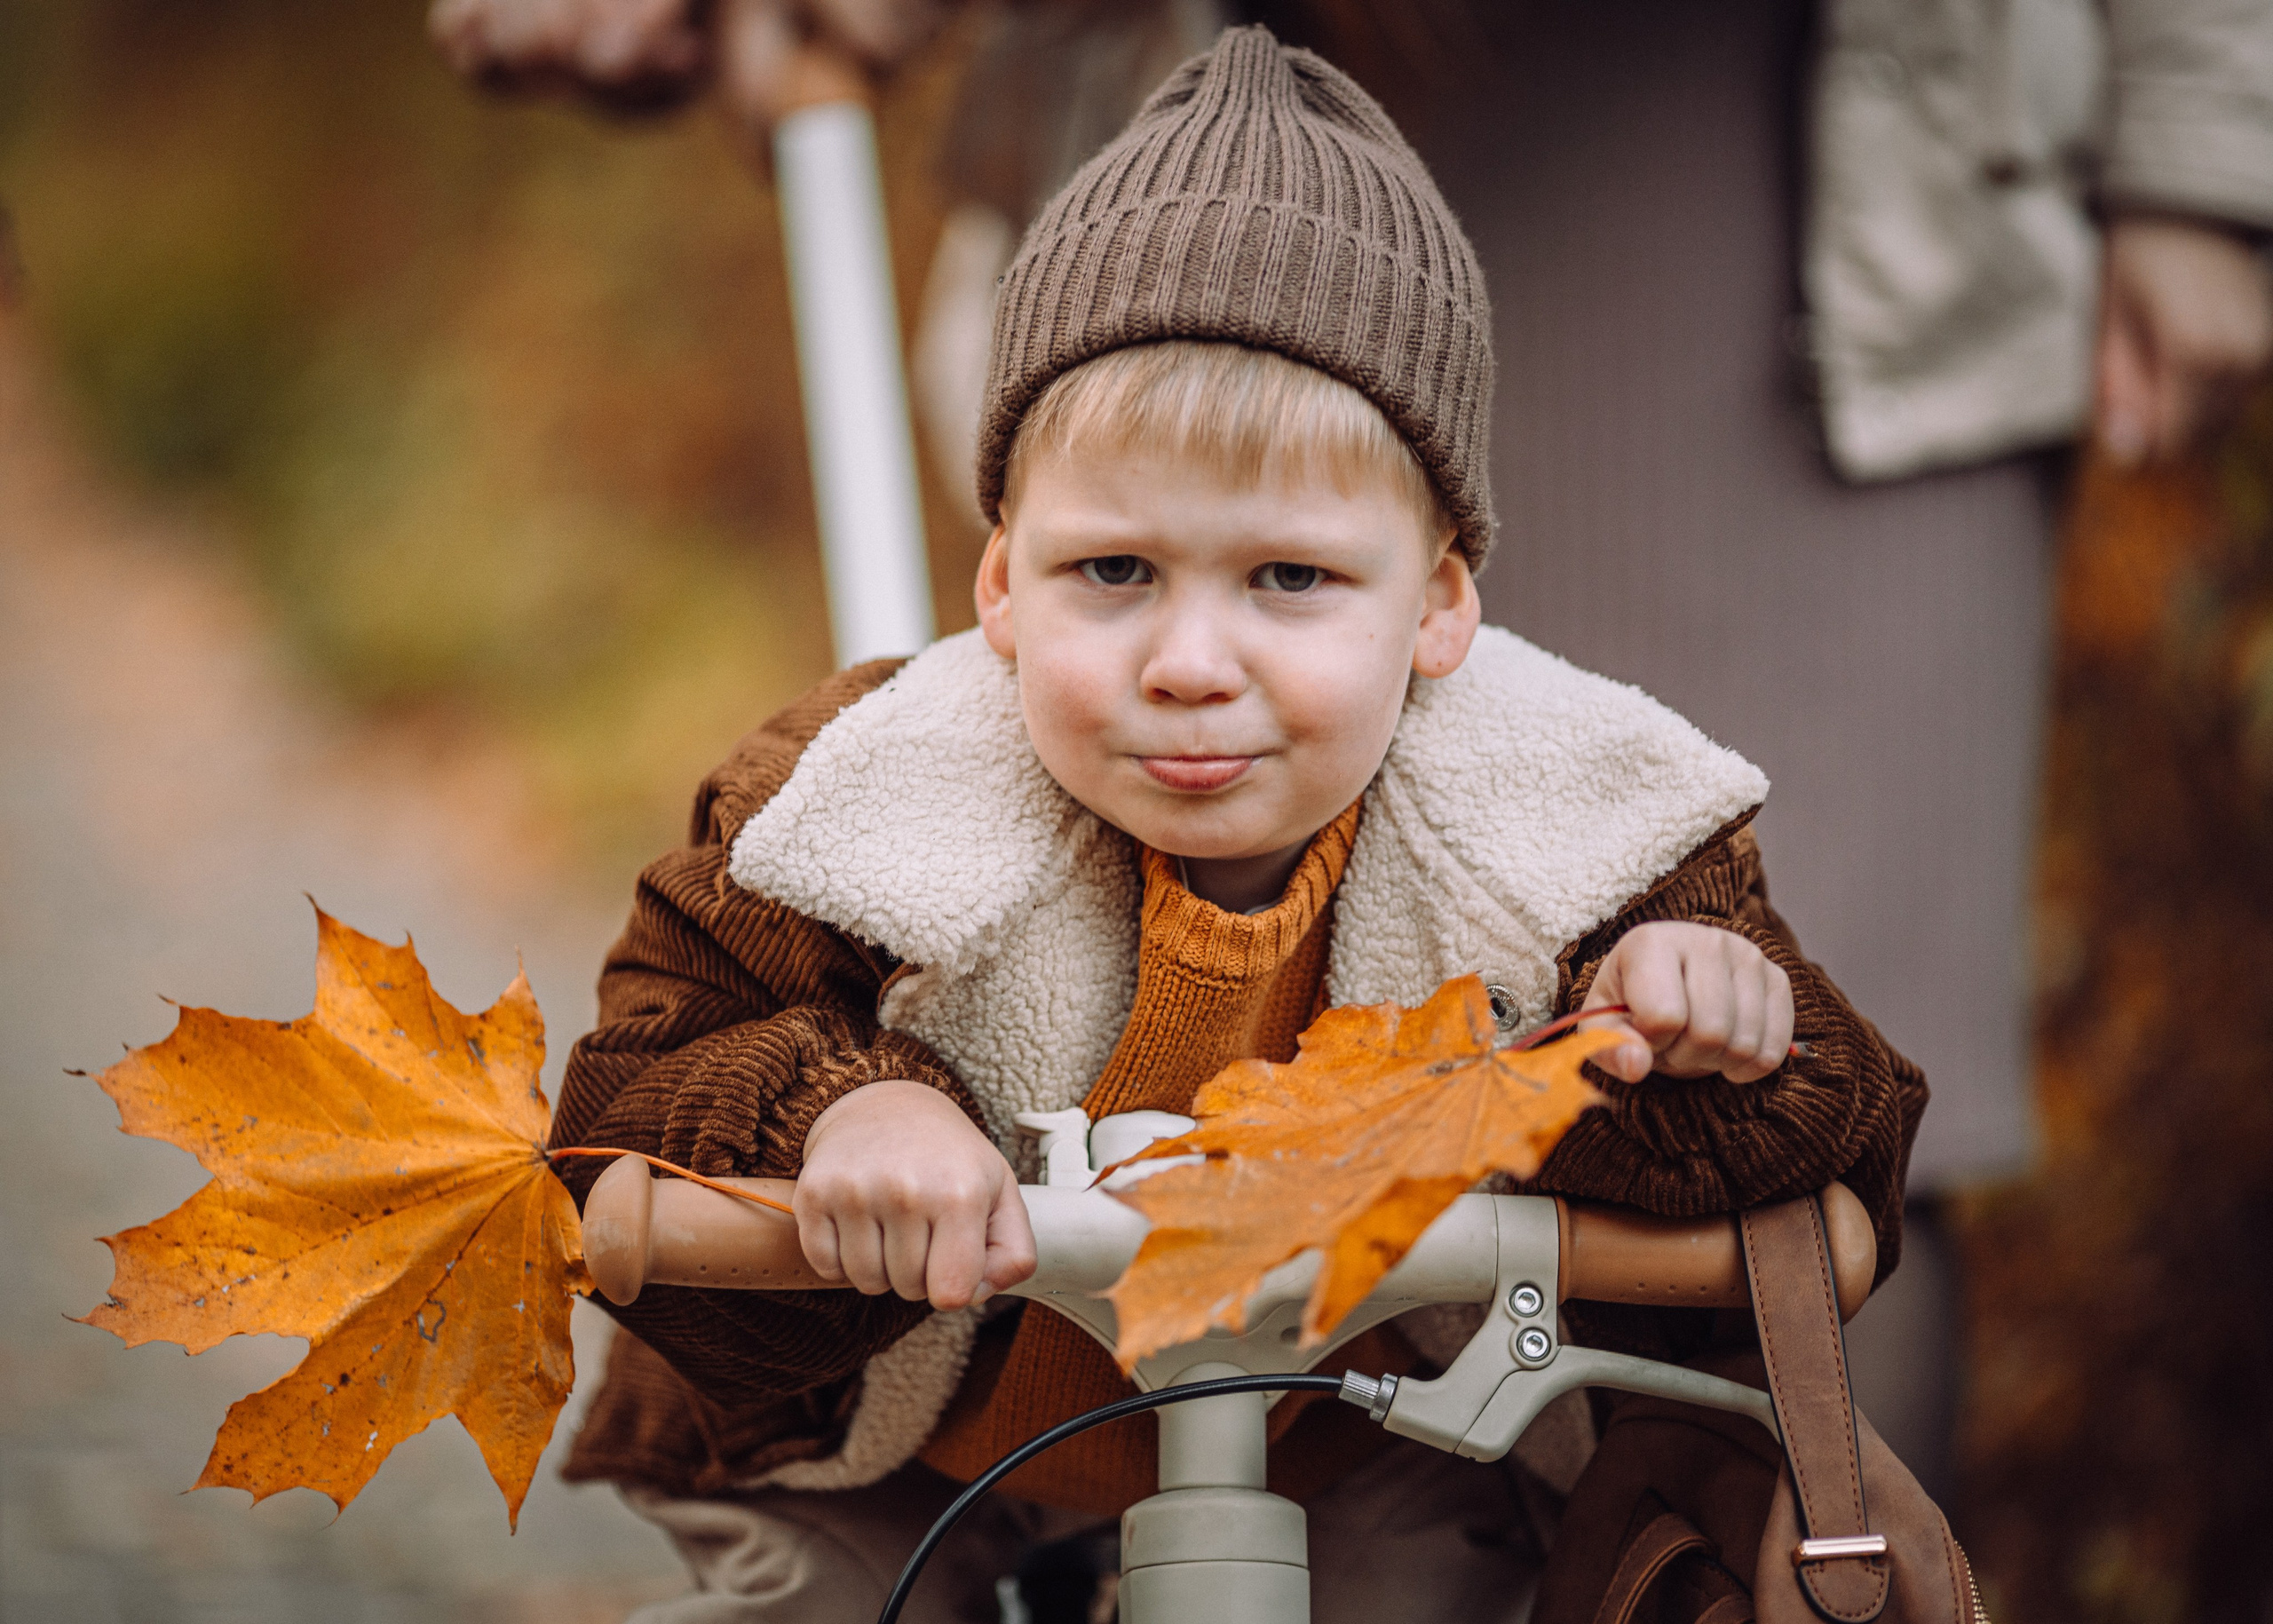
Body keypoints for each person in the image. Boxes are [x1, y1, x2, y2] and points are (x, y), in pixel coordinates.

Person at [540, 28, 1924, 1623]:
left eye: (1291, 579)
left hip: (1355, 1430)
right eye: (1113, 572)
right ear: (1001, 580)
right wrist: (839, 1115)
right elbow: (645, 1063)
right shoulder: (864, 793)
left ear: (1441, 605)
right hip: (896, 1433)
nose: (1192, 665)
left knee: (1440, 1589)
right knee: (819, 1604)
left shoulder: (1571, 832)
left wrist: (1718, 1032)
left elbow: (1833, 1146)